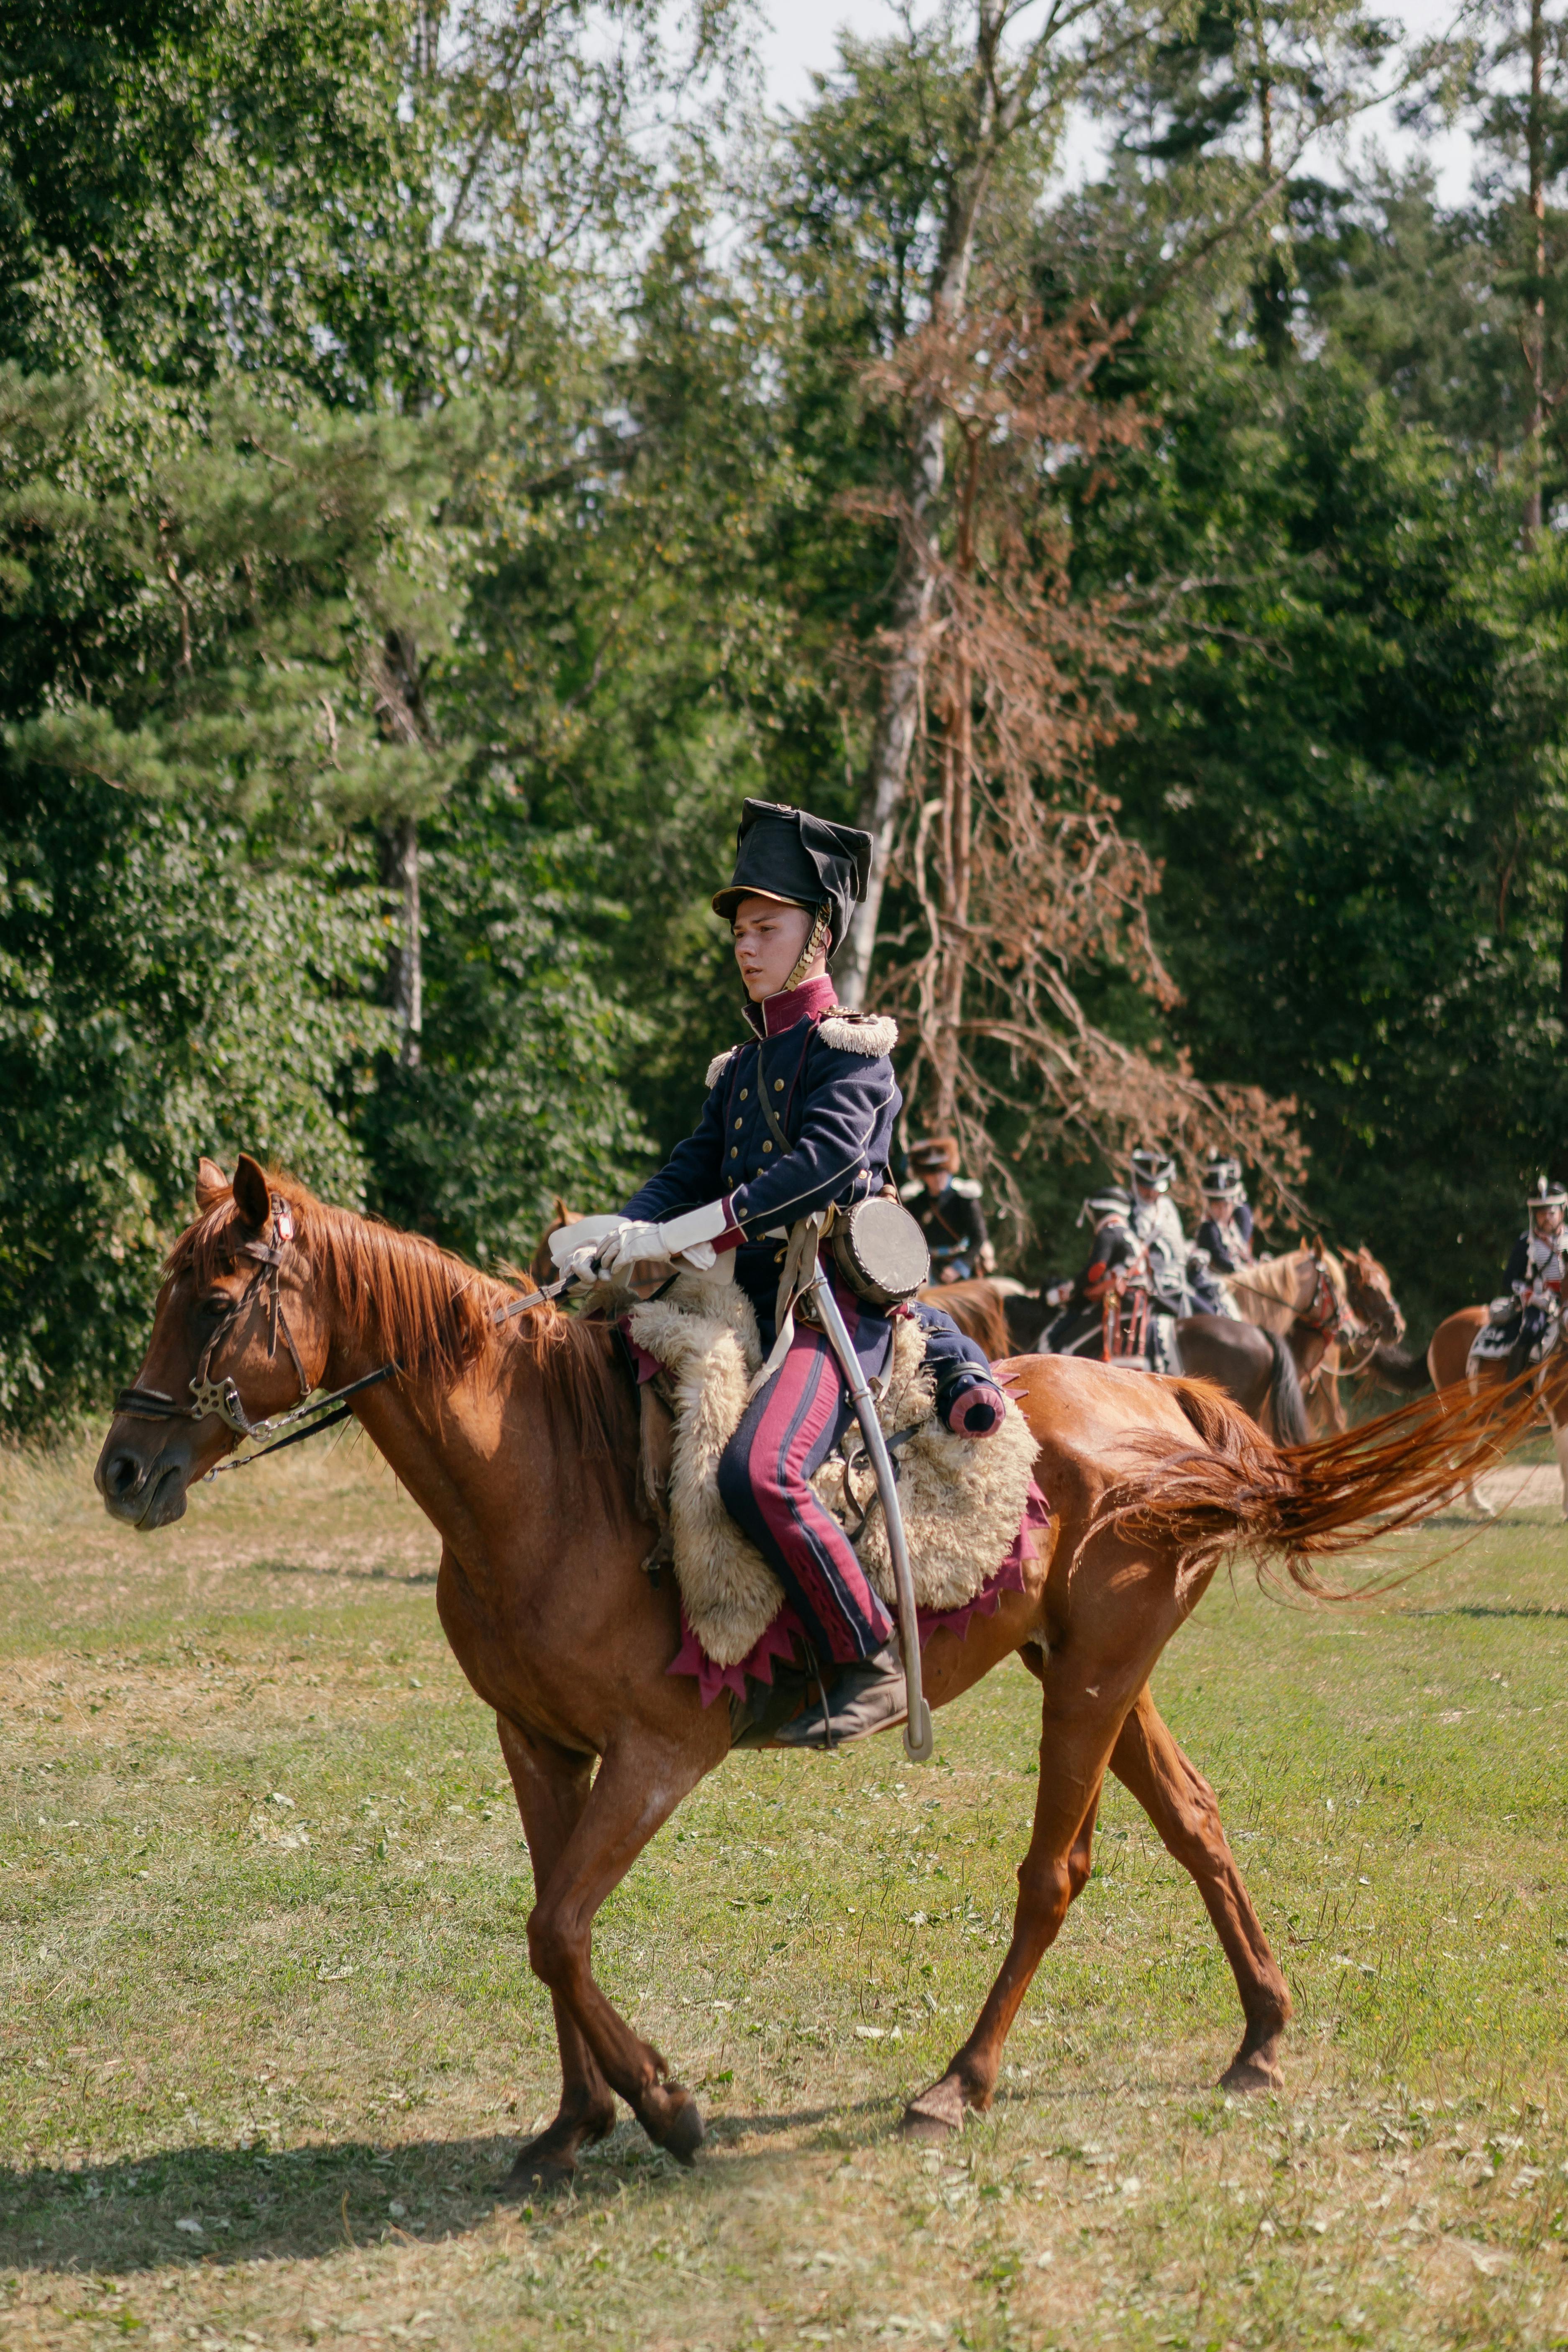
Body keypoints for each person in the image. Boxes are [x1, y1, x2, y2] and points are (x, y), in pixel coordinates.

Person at [572, 800, 1004, 1747]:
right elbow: (692, 1162)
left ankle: (869, 1655)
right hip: (734, 1305)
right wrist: (620, 1229)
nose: (746, 943)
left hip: (826, 1310)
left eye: (767, 926)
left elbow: (814, 1168)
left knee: (759, 1473)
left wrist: (698, 1226)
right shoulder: (738, 1068)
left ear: (818, 937)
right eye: (739, 929)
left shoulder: (855, 1056)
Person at [1472, 1176, 1568, 1372]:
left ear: (1562, 1211)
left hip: (1566, 1302)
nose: (1547, 1218)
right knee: (1531, 1329)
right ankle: (1514, 1383)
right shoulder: (1526, 1242)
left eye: (1551, 1212)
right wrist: (1532, 1297)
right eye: (1541, 1213)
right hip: (1539, 1302)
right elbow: (1510, 1280)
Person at [1042, 1185, 1147, 1356]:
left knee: (1065, 1349)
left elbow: (1096, 1270)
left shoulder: (1109, 1233)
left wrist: (1069, 1291)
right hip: (1137, 1300)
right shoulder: (1129, 1234)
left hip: (1119, 1302)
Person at [903, 1136, 990, 1282]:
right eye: (931, 1172)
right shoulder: (915, 1201)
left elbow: (979, 1237)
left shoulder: (964, 1197)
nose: (938, 1177)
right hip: (926, 1268)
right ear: (923, 1174)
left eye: (942, 1170)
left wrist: (959, 1267)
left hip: (960, 1269)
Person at [1128, 1147, 1189, 1313]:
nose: (1151, 1192)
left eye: (1155, 1187)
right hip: (1151, 1286)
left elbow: (1178, 1243)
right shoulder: (1129, 1209)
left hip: (1179, 1280)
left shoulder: (1168, 1206)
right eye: (1145, 1186)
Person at [1193, 1157, 1255, 1274]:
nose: (1222, 1211)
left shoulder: (1233, 1226)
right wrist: (1244, 1270)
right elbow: (1220, 1260)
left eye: (1226, 1206)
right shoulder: (1209, 1229)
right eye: (1217, 1206)